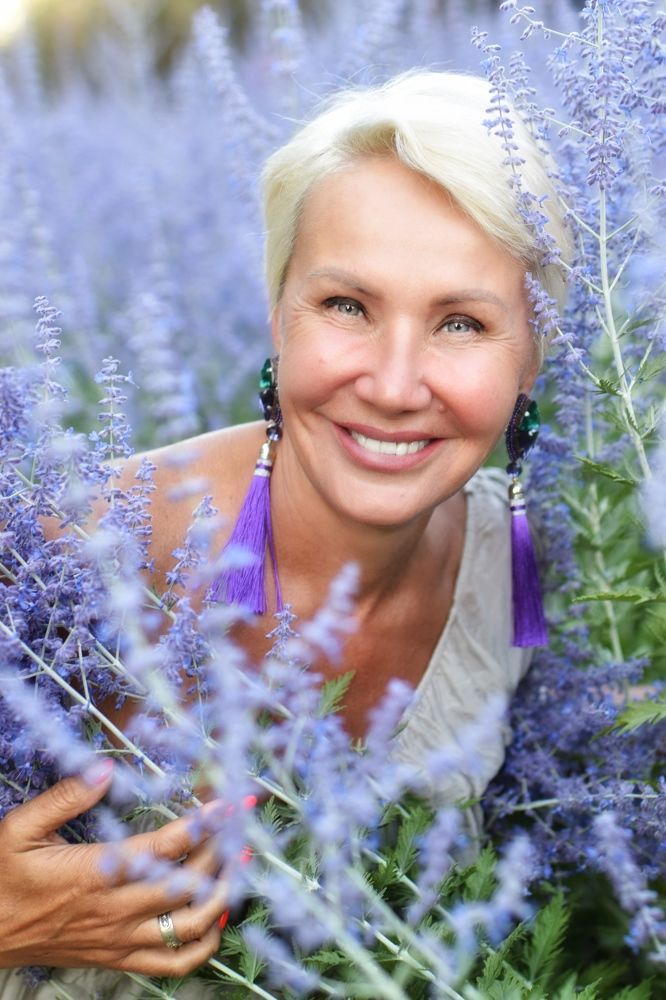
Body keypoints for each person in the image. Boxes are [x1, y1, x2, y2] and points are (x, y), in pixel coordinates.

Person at [0, 70, 570, 997]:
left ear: (532, 362)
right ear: (277, 316)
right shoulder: (62, 560)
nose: (393, 382)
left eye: (461, 322)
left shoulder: (515, 564)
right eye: (347, 305)